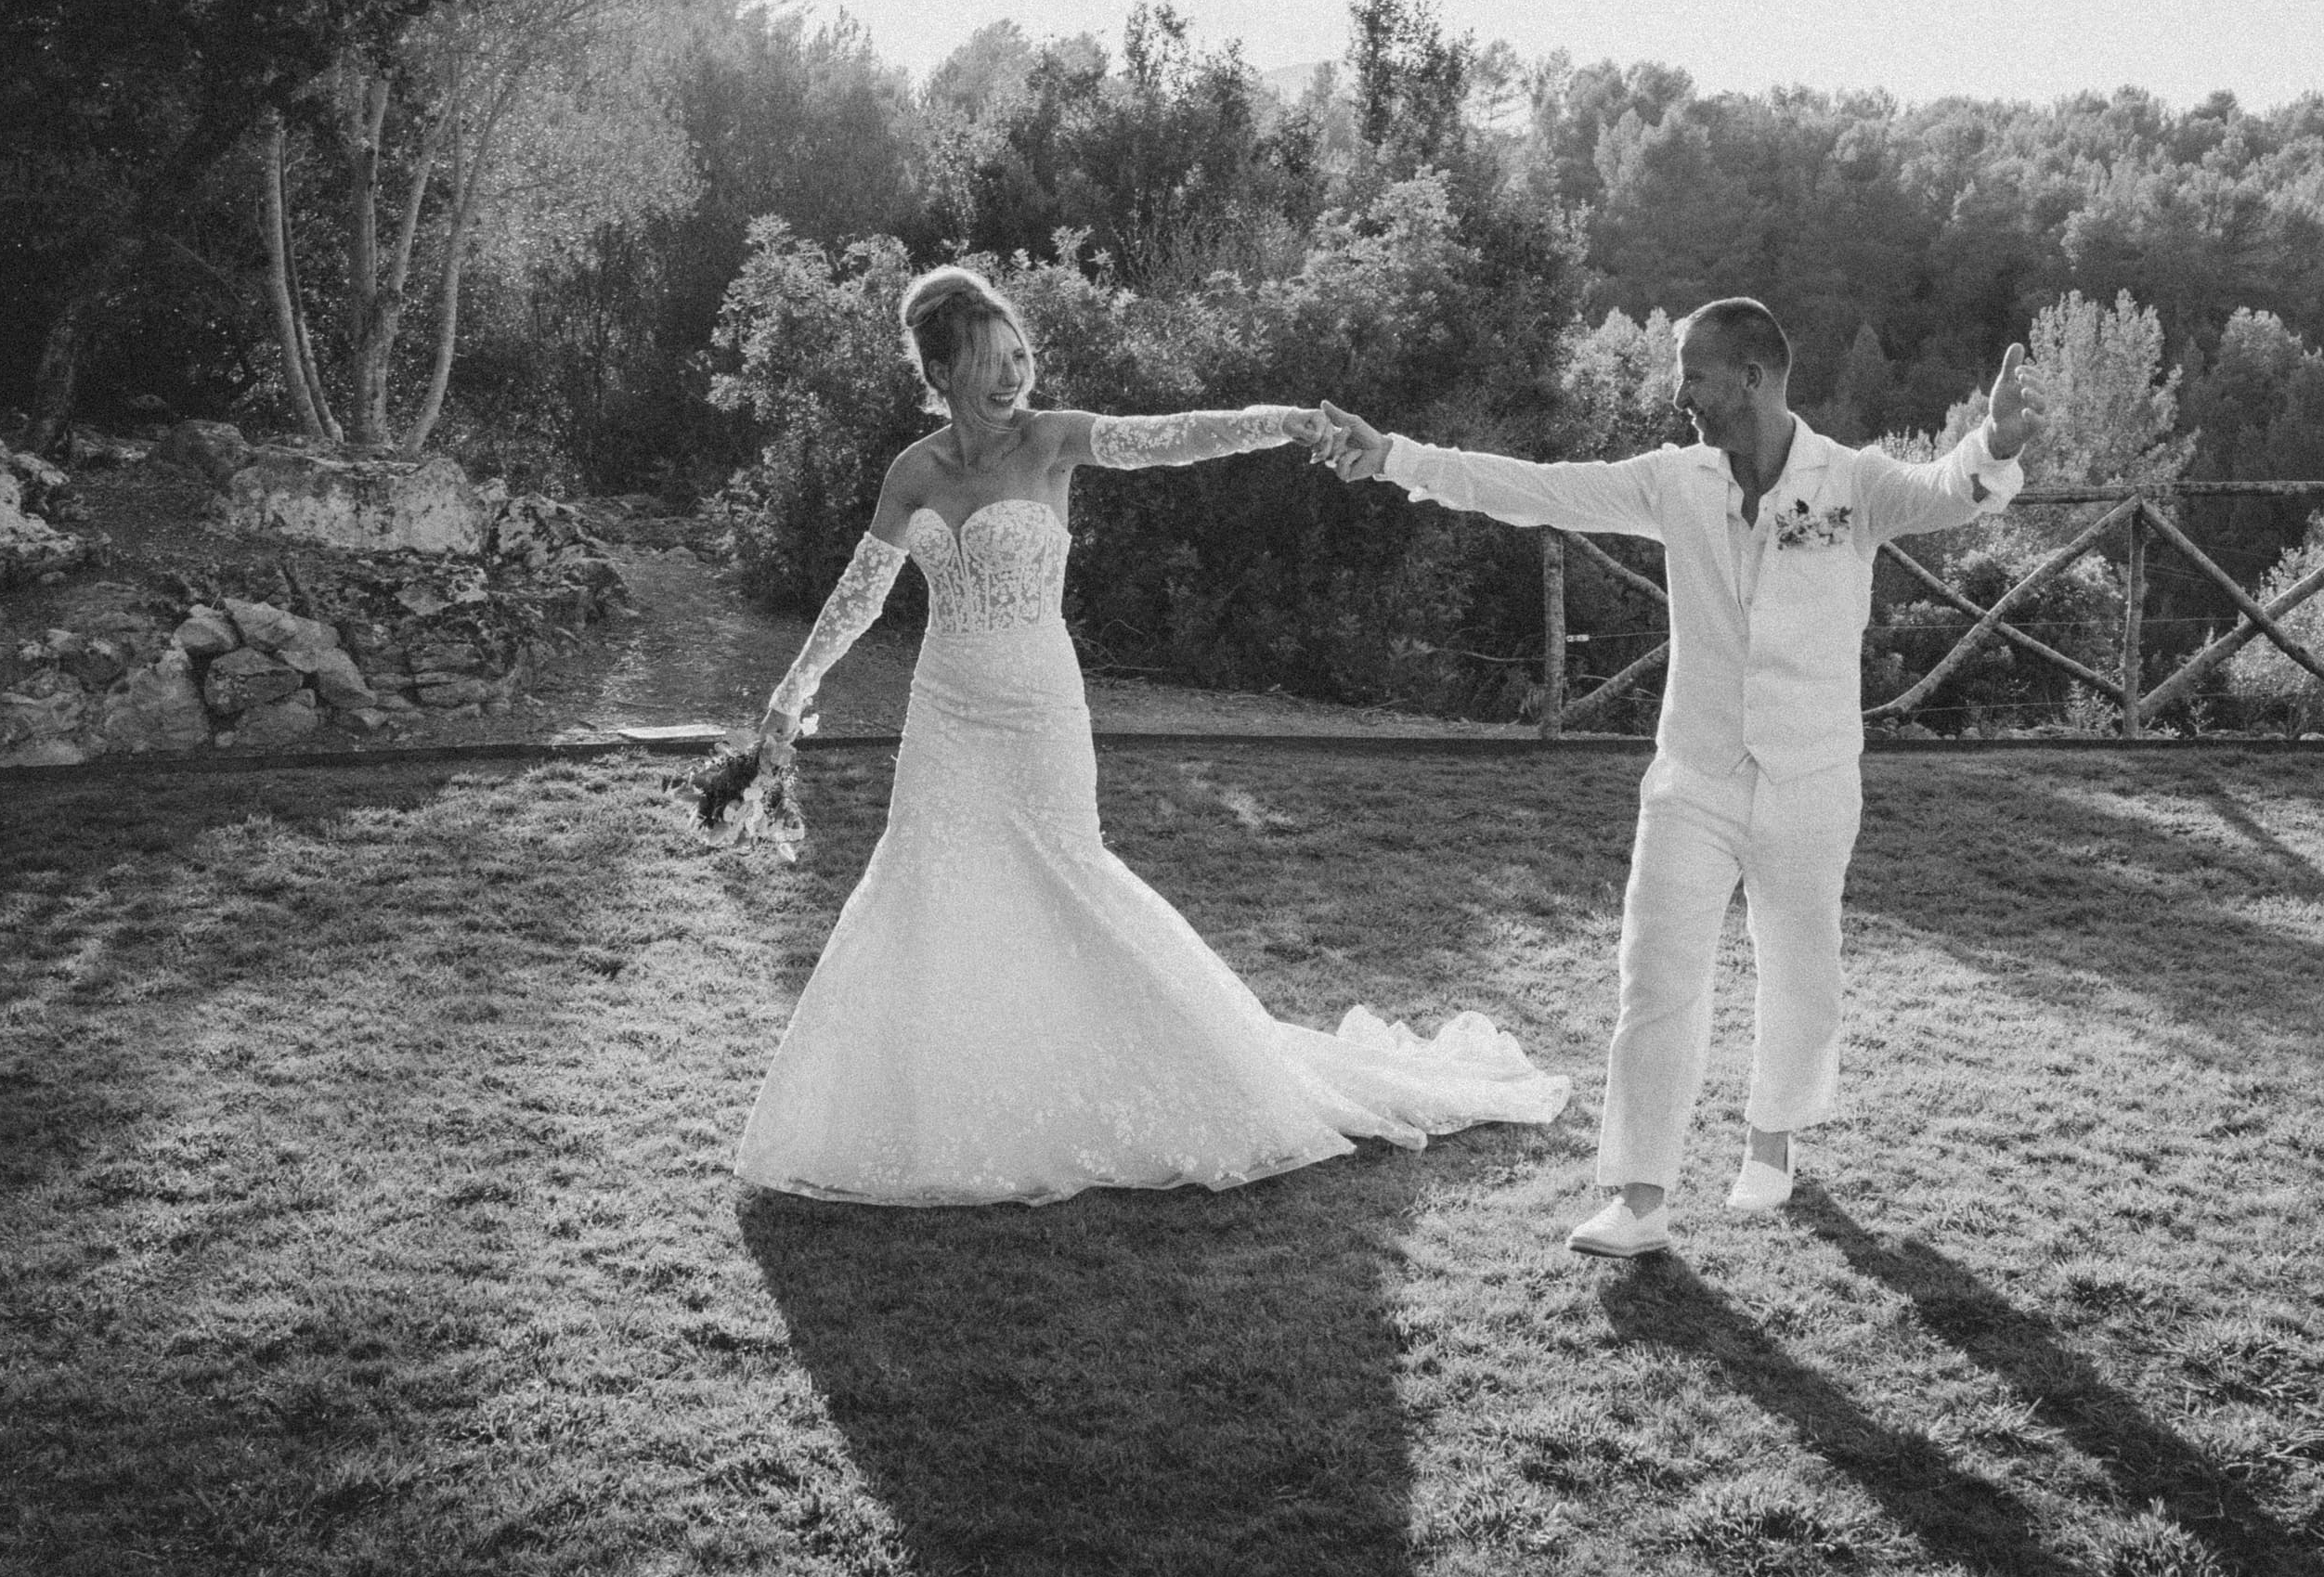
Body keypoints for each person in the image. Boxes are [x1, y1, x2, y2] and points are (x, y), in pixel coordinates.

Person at [732, 265, 1568, 1206]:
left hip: (1040, 709)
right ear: (940, 371)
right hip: (946, 710)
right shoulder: (914, 472)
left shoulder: (1051, 443)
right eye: (988, 361)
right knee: (923, 877)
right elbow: (861, 592)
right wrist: (789, 691)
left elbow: (1170, 441)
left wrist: (1282, 419)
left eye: (1021, 356)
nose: (1013, 376)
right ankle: (929, 1107)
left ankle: (1182, 1072)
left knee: (1071, 878)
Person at [1312, 299, 2032, 1257]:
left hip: (1812, 778)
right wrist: (1396, 455)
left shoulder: (1851, 481)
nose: (1678, 394)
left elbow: (1950, 488)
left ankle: (1771, 1136)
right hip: (1693, 774)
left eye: (1692, 374)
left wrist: (1992, 441)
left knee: (1800, 967)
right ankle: (1640, 1195)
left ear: (1753, 377)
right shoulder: (1672, 479)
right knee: (1654, 976)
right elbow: (1539, 488)